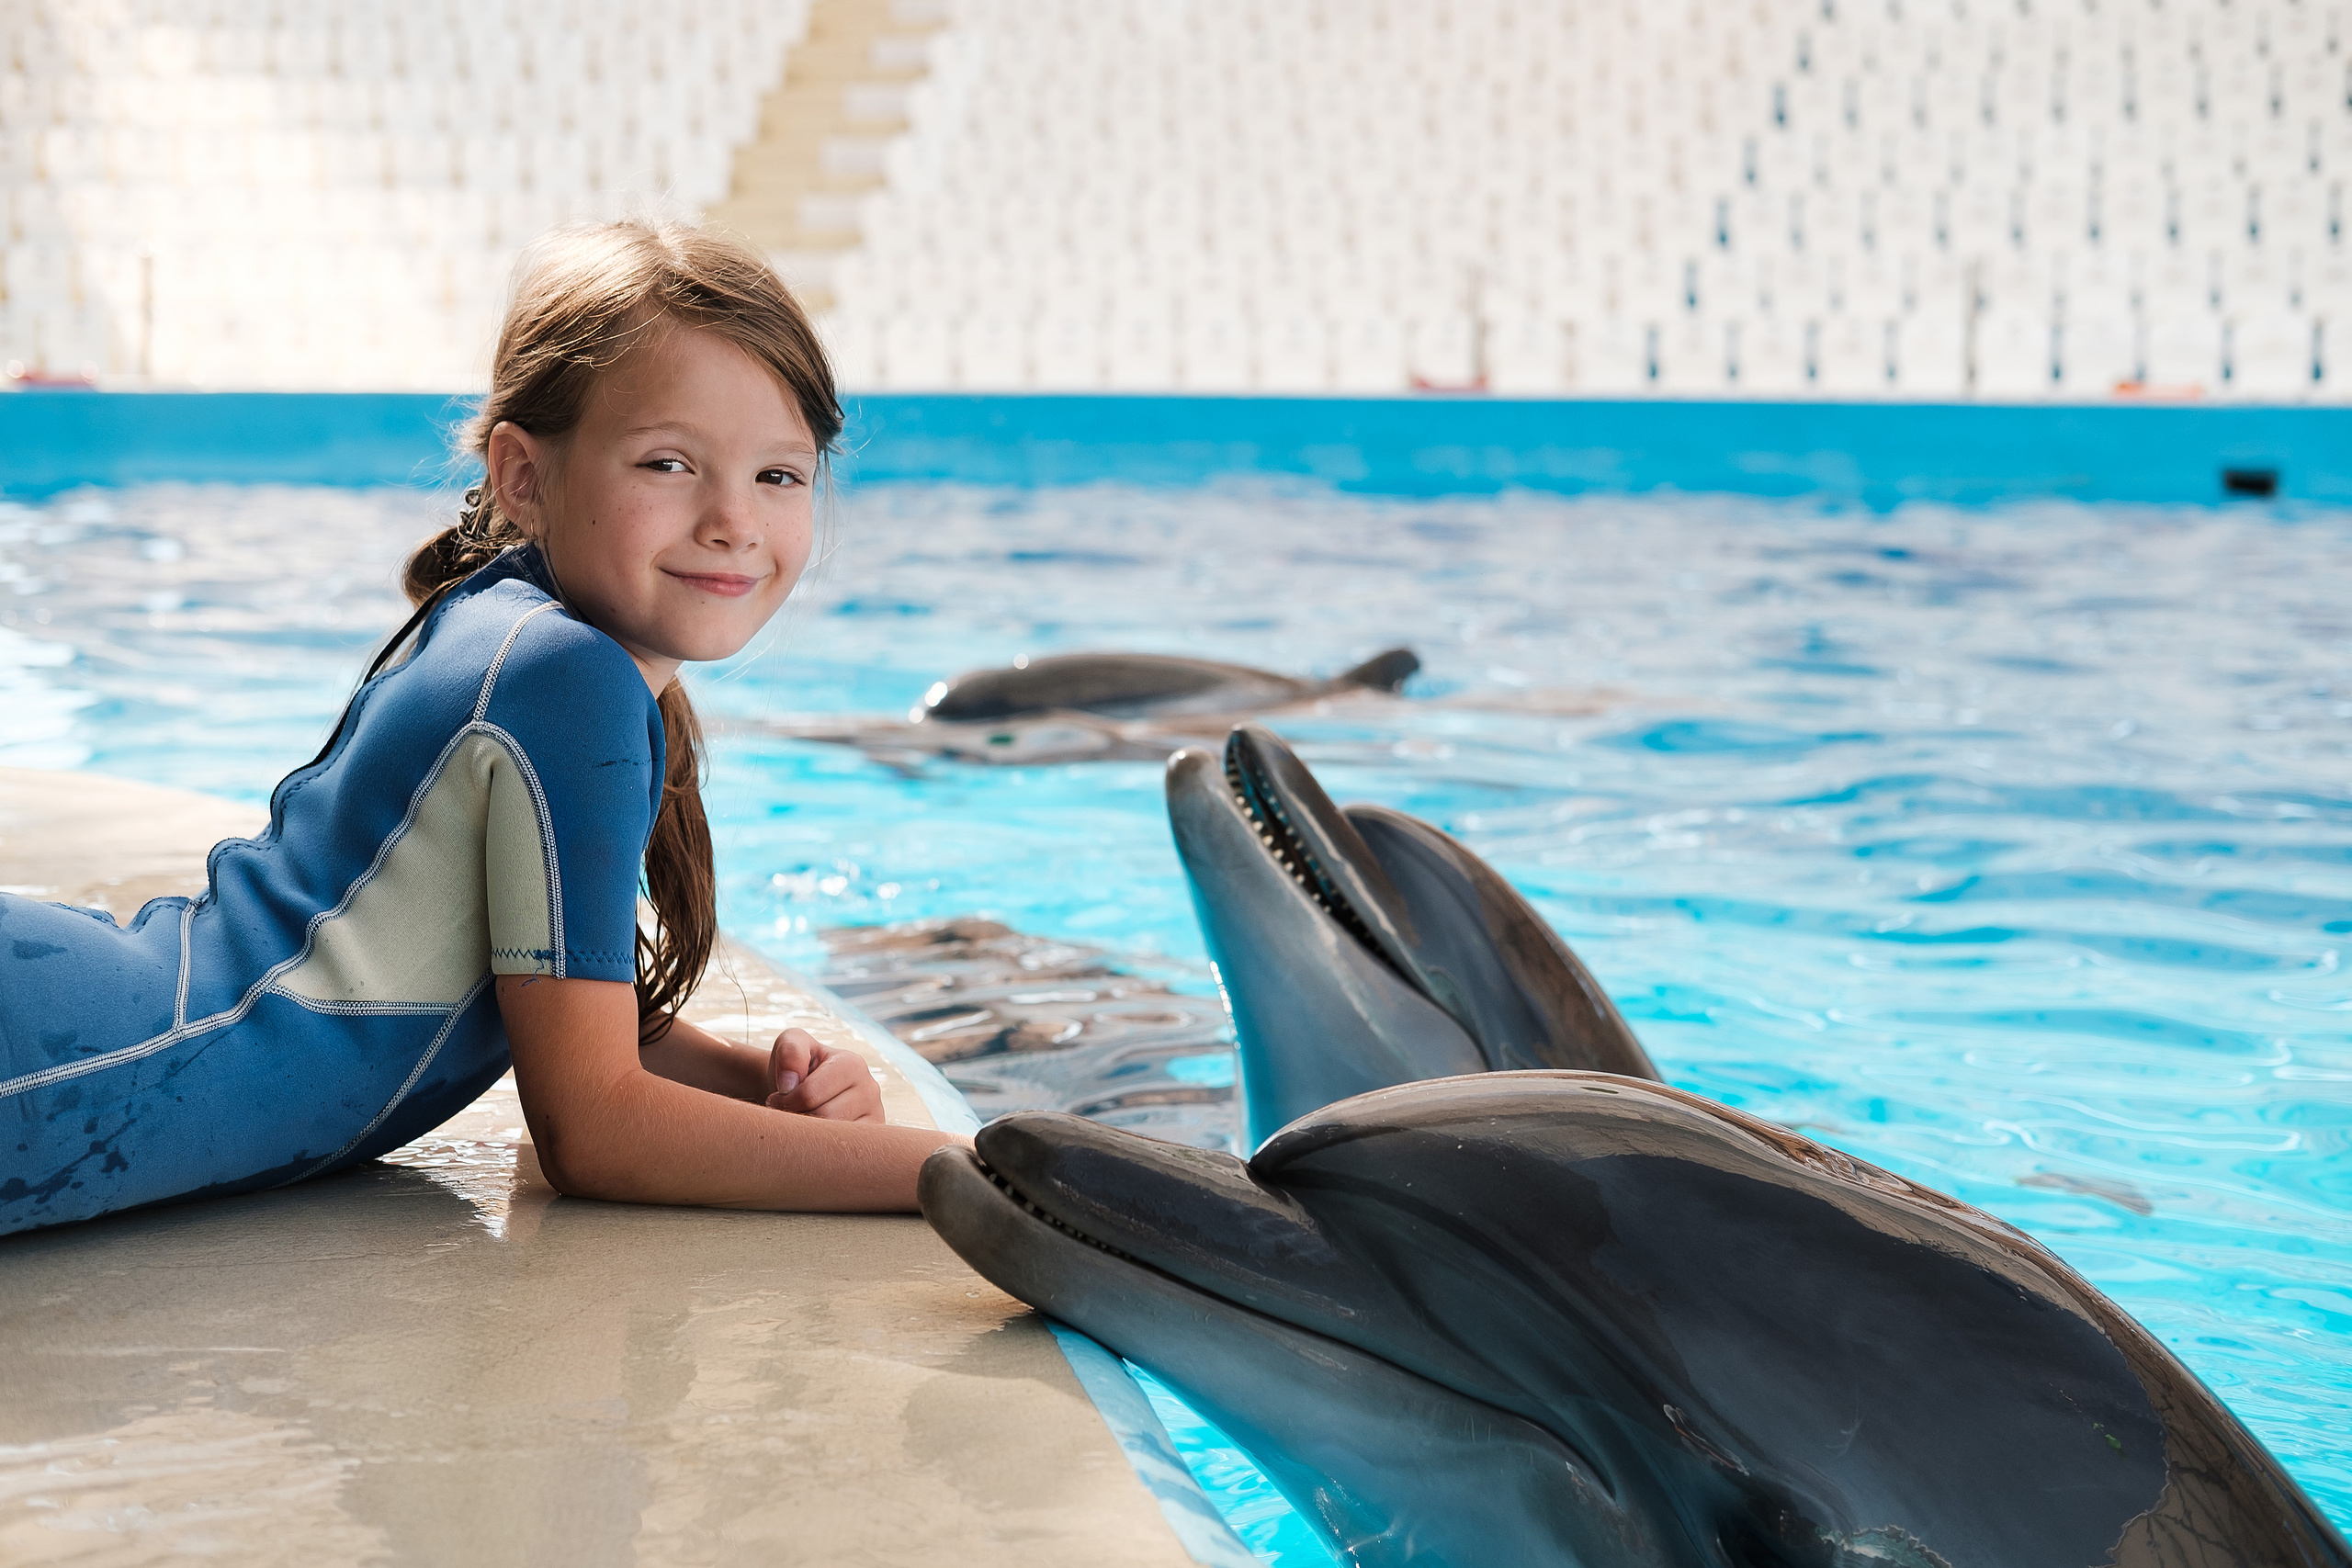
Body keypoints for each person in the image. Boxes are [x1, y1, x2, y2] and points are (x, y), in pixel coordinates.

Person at [0, 221, 967, 1236]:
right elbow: (595, 1131)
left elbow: (542, 994)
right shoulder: (565, 677)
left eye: (779, 474)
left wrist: (756, 1084)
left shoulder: (528, 645)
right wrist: (956, 1168)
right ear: (522, 475)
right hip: (59, 1044)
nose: (733, 518)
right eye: (669, 463)